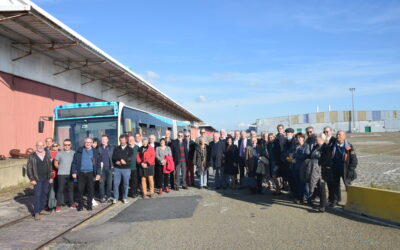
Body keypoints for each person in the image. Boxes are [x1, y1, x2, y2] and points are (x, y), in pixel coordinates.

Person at [329, 130, 358, 207]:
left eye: (340, 135)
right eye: (337, 134)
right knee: (335, 186)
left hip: (346, 170)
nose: (338, 136)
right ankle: (336, 200)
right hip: (335, 169)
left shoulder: (349, 146)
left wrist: (350, 170)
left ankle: (351, 202)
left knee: (348, 186)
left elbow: (354, 160)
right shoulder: (333, 146)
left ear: (344, 136)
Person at [71, 137, 101, 211]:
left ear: (91, 143)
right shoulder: (79, 151)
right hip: (81, 173)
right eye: (86, 142)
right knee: (80, 190)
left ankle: (89, 205)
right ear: (84, 143)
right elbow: (74, 163)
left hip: (91, 173)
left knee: (90, 190)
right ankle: (80, 206)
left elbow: (98, 164)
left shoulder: (95, 152)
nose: (88, 144)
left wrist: (98, 173)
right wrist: (74, 172)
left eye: (89, 142)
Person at [27, 141, 54, 220]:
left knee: (44, 193)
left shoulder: (47, 154)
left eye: (42, 145)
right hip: (37, 178)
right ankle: (36, 212)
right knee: (37, 194)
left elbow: (50, 167)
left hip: (46, 177)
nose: (40, 147)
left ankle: (41, 209)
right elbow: (29, 168)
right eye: (38, 145)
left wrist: (51, 177)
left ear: (44, 146)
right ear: (36, 146)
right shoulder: (32, 156)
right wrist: (32, 178)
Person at [305, 133, 330, 212]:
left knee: (321, 187)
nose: (316, 139)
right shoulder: (316, 147)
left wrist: (318, 164)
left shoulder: (326, 147)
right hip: (313, 170)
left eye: (317, 137)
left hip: (322, 170)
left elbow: (326, 159)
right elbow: (310, 156)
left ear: (322, 138)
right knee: (316, 186)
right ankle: (315, 200)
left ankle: (322, 205)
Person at [54, 139, 75, 212]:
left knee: (71, 190)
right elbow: (55, 163)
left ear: (70, 145)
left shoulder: (73, 153)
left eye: (68, 145)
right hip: (61, 174)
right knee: (60, 190)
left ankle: (72, 203)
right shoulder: (59, 153)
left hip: (70, 174)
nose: (67, 146)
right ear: (63, 145)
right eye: (65, 145)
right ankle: (58, 205)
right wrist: (59, 168)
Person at [112, 135, 133, 204]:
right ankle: (115, 198)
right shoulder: (116, 148)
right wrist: (118, 161)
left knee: (125, 184)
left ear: (126, 140)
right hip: (117, 169)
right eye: (121, 140)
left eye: (123, 140)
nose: (122, 141)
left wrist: (125, 161)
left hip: (126, 169)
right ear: (119, 141)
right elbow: (114, 157)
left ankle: (125, 197)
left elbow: (130, 158)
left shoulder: (130, 149)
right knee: (115, 184)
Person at [293, 132, 311, 204]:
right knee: (298, 184)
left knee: (304, 185)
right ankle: (300, 198)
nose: (298, 139)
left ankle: (309, 199)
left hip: (303, 168)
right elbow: (293, 155)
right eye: (297, 138)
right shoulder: (296, 147)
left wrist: (296, 156)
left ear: (303, 138)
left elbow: (306, 155)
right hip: (296, 167)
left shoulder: (306, 146)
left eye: (300, 138)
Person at [98, 135, 114, 203]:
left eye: (105, 139)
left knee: (109, 183)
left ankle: (108, 197)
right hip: (101, 168)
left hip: (110, 168)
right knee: (101, 183)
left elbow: (113, 157)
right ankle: (102, 197)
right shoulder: (99, 148)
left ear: (108, 140)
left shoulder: (111, 148)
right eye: (102, 139)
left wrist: (113, 165)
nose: (104, 140)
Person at [282, 128, 297, 196]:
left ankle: (295, 193)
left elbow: (293, 152)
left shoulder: (294, 141)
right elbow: (284, 152)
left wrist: (288, 158)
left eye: (288, 133)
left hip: (293, 163)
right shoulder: (286, 141)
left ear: (292, 134)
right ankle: (292, 191)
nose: (287, 134)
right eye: (286, 133)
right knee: (289, 178)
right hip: (287, 163)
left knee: (294, 179)